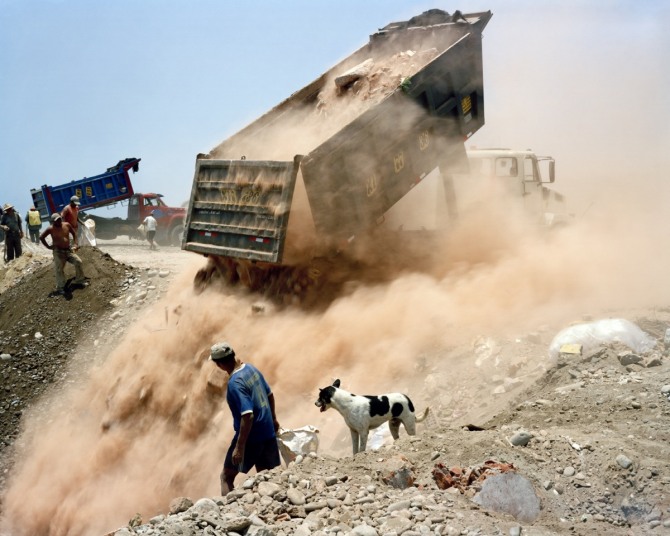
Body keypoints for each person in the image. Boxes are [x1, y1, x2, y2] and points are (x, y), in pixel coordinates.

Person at [210, 342, 281, 495]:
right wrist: (274, 420)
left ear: (220, 365)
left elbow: (247, 415)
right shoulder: (251, 369)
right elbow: (270, 395)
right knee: (267, 477)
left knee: (226, 476)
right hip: (268, 433)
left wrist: (240, 446)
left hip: (251, 439)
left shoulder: (235, 383)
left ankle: (228, 512)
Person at [40, 213, 87, 295]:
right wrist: (48, 246)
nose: (58, 221)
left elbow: (74, 233)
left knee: (78, 262)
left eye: (59, 219)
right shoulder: (50, 229)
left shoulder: (67, 225)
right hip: (58, 252)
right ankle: (61, 287)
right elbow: (41, 237)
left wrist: (75, 244)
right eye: (56, 220)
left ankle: (79, 280)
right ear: (53, 222)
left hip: (68, 250)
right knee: (59, 269)